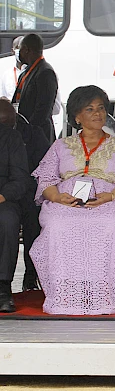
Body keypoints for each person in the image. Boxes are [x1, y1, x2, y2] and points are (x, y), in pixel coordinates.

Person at [30, 86, 115, 315]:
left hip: (111, 201)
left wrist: (112, 195)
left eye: (101, 108)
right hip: (68, 200)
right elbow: (45, 178)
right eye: (90, 109)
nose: (98, 113)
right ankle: (66, 295)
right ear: (77, 116)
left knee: (111, 225)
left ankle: (105, 295)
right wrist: (57, 196)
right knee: (57, 225)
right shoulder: (61, 145)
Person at [0, 99, 49, 292]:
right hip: (13, 191)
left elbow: (41, 172)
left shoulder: (29, 135)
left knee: (27, 216)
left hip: (26, 191)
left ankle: (24, 277)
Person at [0, 101, 29, 312]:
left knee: (7, 220)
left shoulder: (11, 138)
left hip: (2, 198)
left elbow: (20, 180)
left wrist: (2, 196)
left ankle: (2, 288)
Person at [13, 34, 58, 143]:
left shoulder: (45, 72)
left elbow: (43, 108)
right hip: (25, 131)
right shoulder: (27, 72)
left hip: (38, 135)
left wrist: (29, 130)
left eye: (20, 49)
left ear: (26, 50)